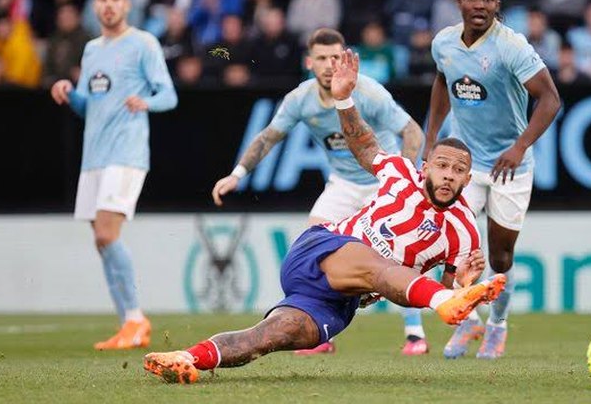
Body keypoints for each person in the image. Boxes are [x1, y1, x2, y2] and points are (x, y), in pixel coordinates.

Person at [143, 50, 506, 384]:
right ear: (426, 166)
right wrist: (344, 98)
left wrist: (461, 285)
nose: (448, 175)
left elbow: (440, 290)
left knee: (269, 337)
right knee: (379, 268)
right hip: (321, 250)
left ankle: (188, 358)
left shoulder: (465, 232)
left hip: (341, 299)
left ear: (467, 179)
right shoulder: (399, 172)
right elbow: (364, 144)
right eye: (441, 165)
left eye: (458, 170)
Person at [211, 28, 430, 355]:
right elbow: (269, 137)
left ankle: (415, 335)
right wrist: (237, 174)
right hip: (342, 184)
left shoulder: (368, 93)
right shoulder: (301, 99)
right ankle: (321, 334)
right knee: (312, 246)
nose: (330, 64)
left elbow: (411, 131)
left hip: (382, 184)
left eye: (336, 57)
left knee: (393, 256)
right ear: (309, 62)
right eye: (323, 58)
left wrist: (405, 178)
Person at [425, 0, 561, 360]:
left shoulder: (511, 47)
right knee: (451, 246)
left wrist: (519, 147)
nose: (480, 6)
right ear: (460, 3)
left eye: (488, 0)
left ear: (497, 5)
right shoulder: (444, 43)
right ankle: (467, 321)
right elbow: (442, 81)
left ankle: (497, 325)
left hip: (509, 168)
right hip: (465, 164)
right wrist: (432, 138)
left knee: (500, 257)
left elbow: (550, 99)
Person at [49, 0, 178, 350]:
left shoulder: (143, 43)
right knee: (101, 240)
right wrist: (70, 94)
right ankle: (128, 324)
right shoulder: (91, 50)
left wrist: (146, 103)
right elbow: (90, 105)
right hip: (95, 156)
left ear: (126, 5)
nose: (108, 5)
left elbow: (168, 94)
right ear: (94, 6)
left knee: (107, 233)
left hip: (127, 152)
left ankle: (136, 319)